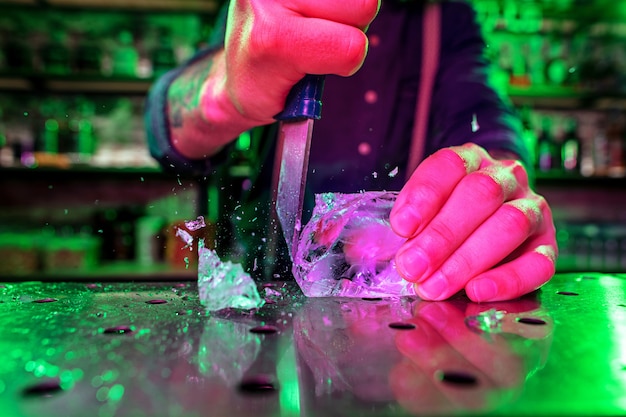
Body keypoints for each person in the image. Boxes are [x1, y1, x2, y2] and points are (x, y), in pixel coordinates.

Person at [145, 0, 557, 302]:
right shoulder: (265, 4)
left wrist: (492, 183)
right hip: (267, 286)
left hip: (397, 301)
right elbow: (168, 133)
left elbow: (481, 109)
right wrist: (224, 93)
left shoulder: (444, 14)